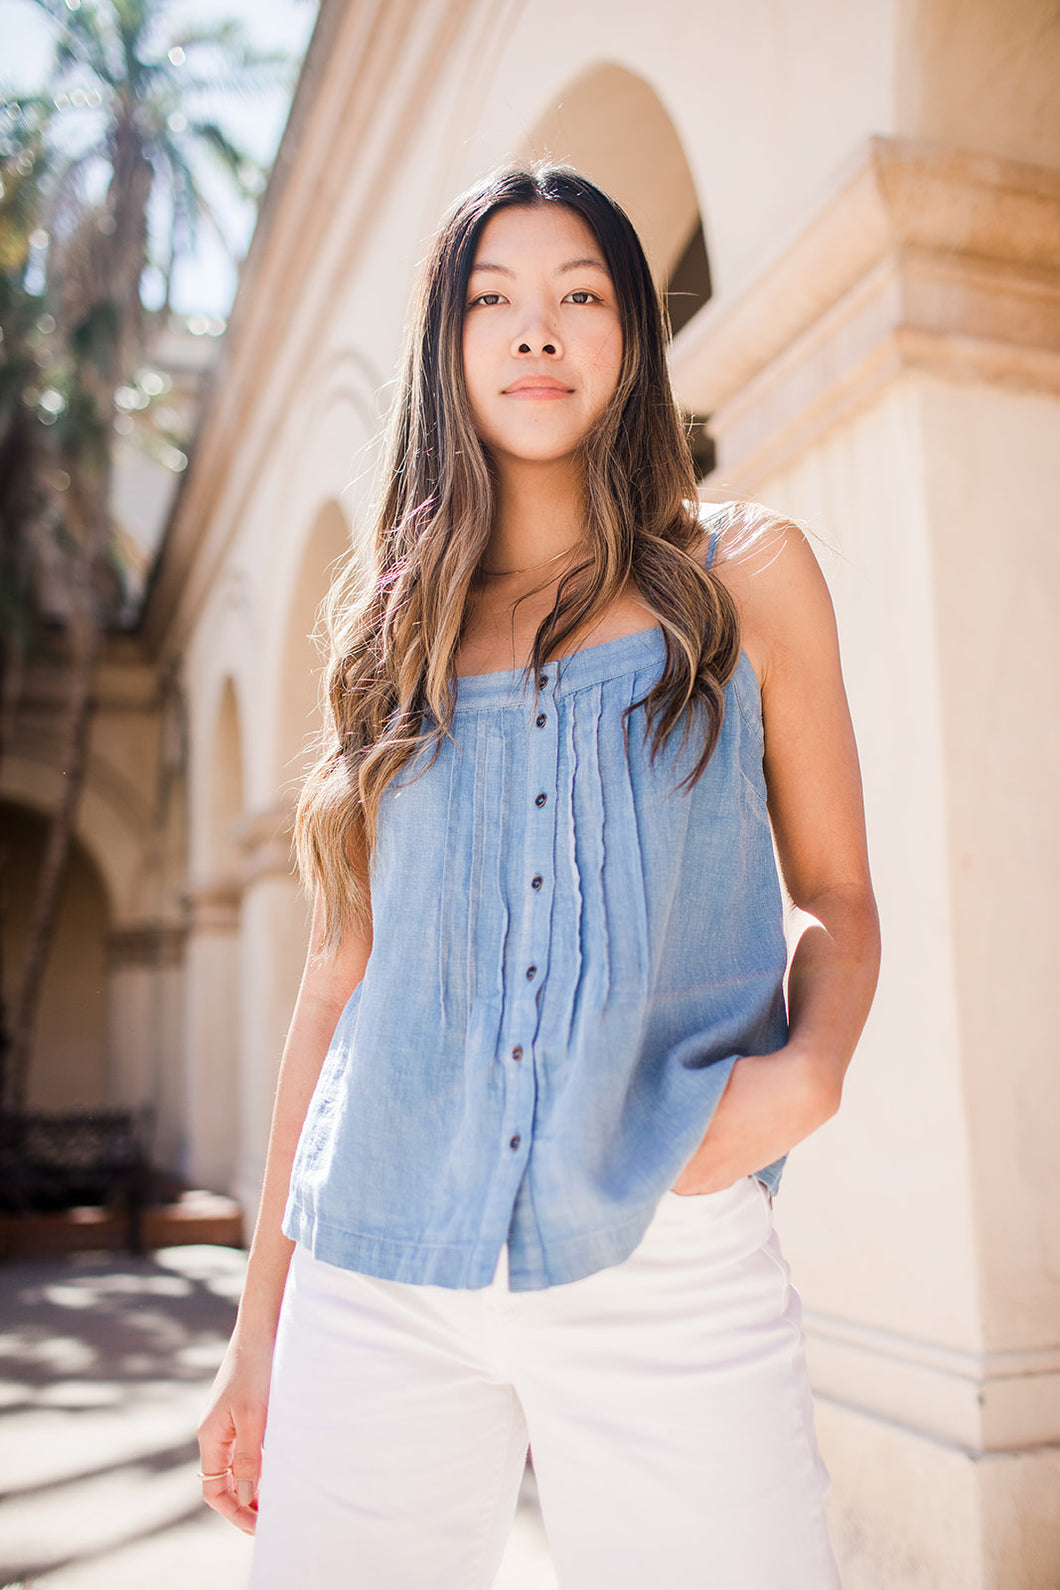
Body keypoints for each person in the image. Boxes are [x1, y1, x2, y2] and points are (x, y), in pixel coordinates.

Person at [197, 164, 880, 1589]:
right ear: (448, 348)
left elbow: (837, 893)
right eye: (495, 300)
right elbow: (337, 989)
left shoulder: (744, 575)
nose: (537, 331)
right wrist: (258, 1329)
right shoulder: (392, 641)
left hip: (666, 1245)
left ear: (630, 334)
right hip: (377, 1265)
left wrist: (807, 1071)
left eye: (579, 295)